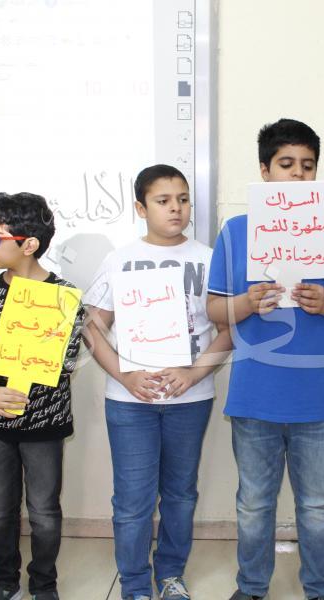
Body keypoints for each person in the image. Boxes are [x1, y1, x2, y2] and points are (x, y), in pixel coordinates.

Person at [207, 118, 324, 600]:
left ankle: (319, 587)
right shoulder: (236, 232)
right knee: (253, 504)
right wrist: (245, 303)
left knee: (318, 506)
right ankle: (251, 587)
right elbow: (214, 309)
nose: (298, 174)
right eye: (286, 164)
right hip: (255, 398)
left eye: (307, 165)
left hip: (318, 400)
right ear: (265, 170)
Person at [83, 164, 230, 600]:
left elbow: (228, 330)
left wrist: (194, 373)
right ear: (141, 208)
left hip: (191, 397)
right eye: (163, 201)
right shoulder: (119, 259)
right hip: (130, 401)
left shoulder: (209, 259)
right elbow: (92, 328)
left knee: (180, 494)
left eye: (183, 199)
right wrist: (124, 376)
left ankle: (170, 575)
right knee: (133, 499)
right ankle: (133, 585)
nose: (176, 208)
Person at [0, 192, 85, 600]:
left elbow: (66, 360)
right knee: (0, 509)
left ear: (29, 244)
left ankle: (44, 584)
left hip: (44, 423)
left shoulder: (63, 296)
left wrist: (29, 375)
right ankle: (4, 582)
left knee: (44, 511)